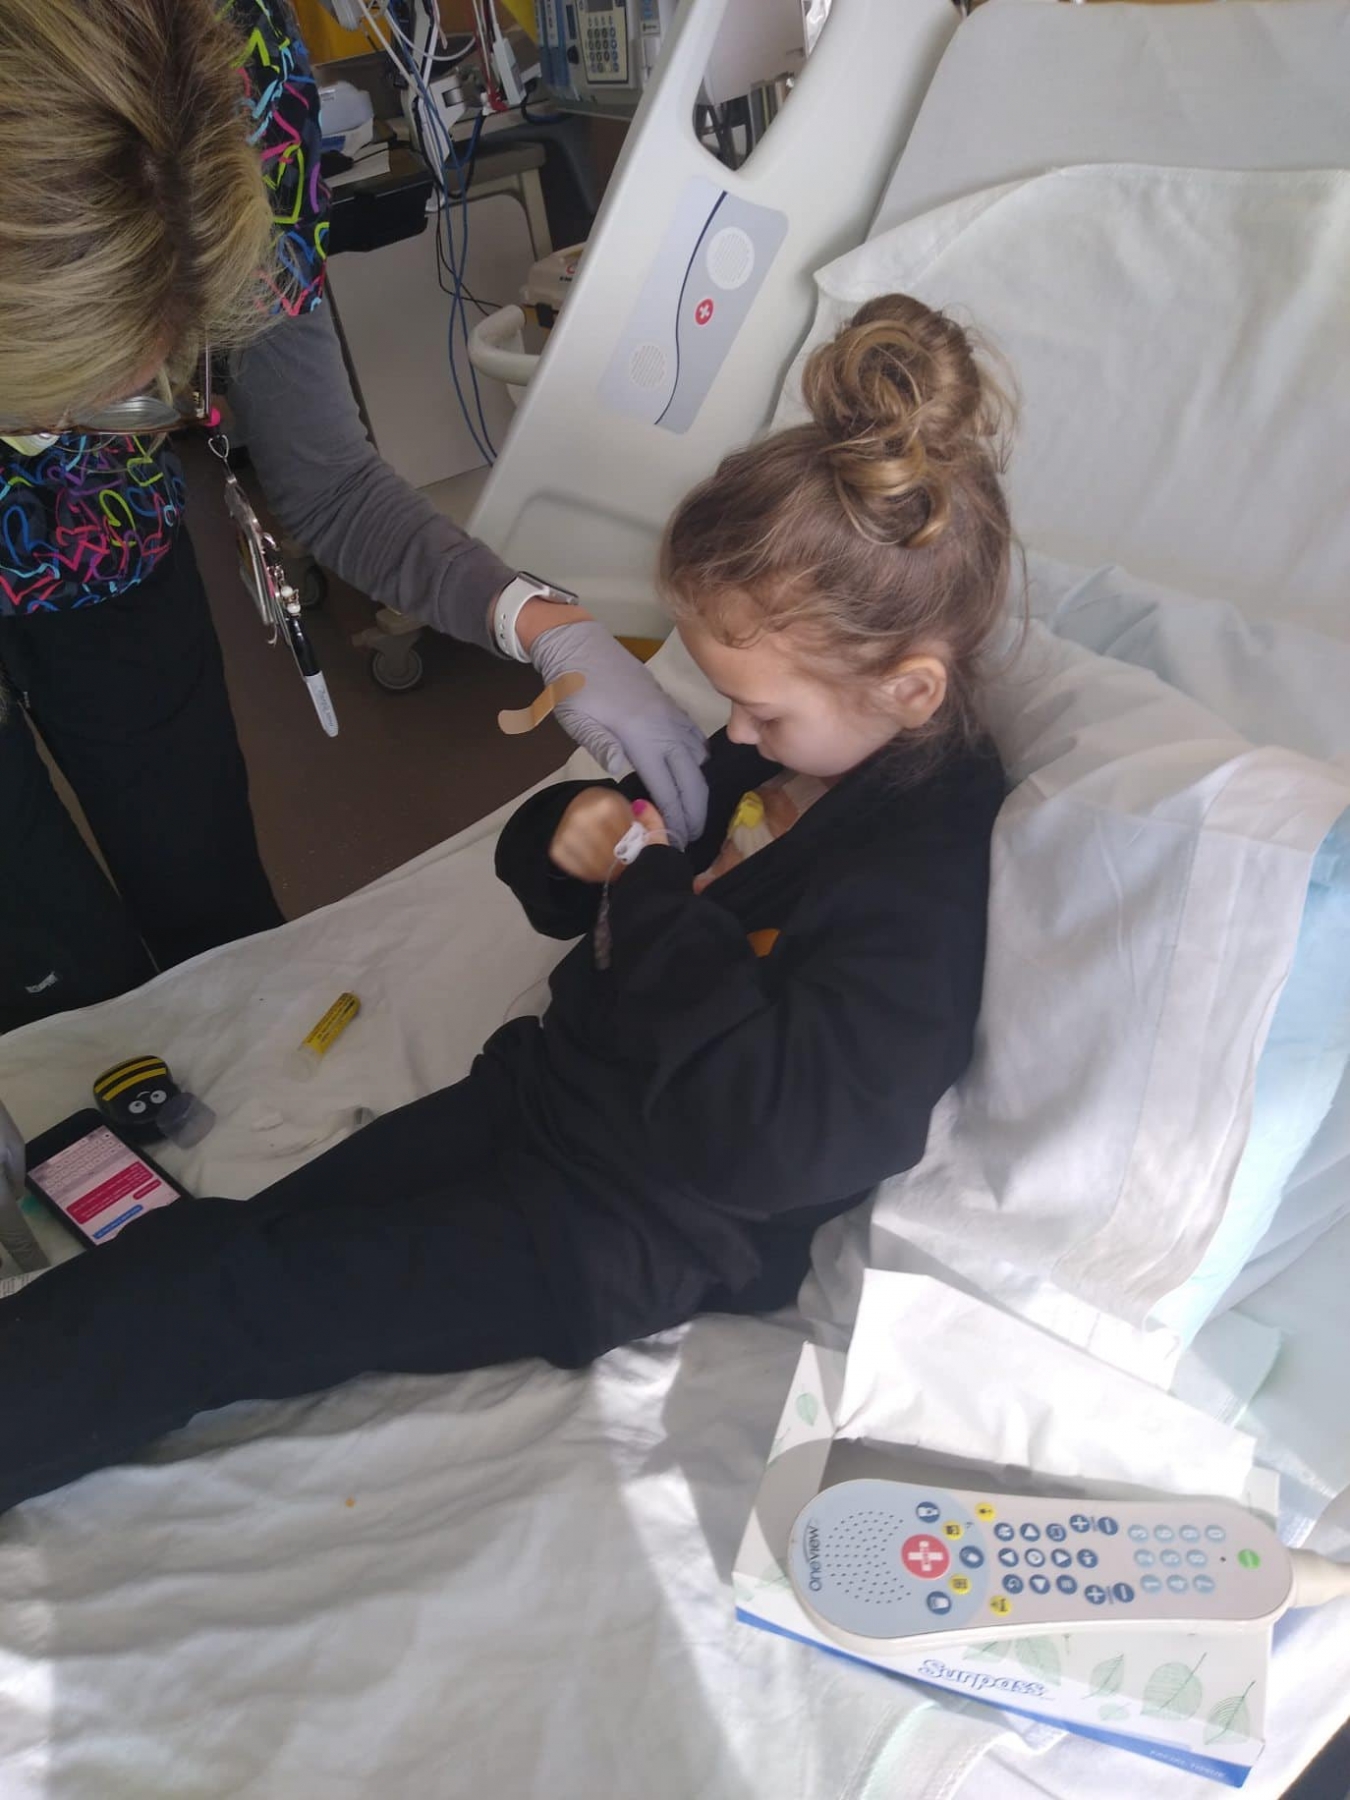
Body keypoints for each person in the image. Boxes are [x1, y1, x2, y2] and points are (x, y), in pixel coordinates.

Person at [0, 296, 1011, 1512]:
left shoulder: (922, 880)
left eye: (763, 711)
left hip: (628, 1224)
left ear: (910, 689)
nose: (735, 735)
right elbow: (593, 873)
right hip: (541, 1099)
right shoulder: (793, 759)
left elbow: (778, 1136)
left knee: (235, 1303)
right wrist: (572, 838)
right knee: (221, 1249)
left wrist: (645, 890)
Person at [0, 0, 707, 1032]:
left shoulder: (245, 89)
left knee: (210, 909)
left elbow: (327, 480)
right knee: (40, 965)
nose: (88, 422)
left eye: (144, 388)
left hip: (105, 546)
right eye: (57, 402)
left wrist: (541, 621)